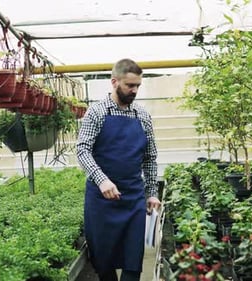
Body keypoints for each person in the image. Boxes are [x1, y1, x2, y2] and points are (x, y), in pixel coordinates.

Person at [76, 58, 161, 281]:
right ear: (114, 82)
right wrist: (101, 180)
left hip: (133, 197)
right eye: (129, 86)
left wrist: (152, 192)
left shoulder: (142, 116)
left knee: (133, 260)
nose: (134, 91)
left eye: (137, 86)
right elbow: (82, 150)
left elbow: (150, 157)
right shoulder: (97, 112)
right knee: (103, 261)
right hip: (101, 200)